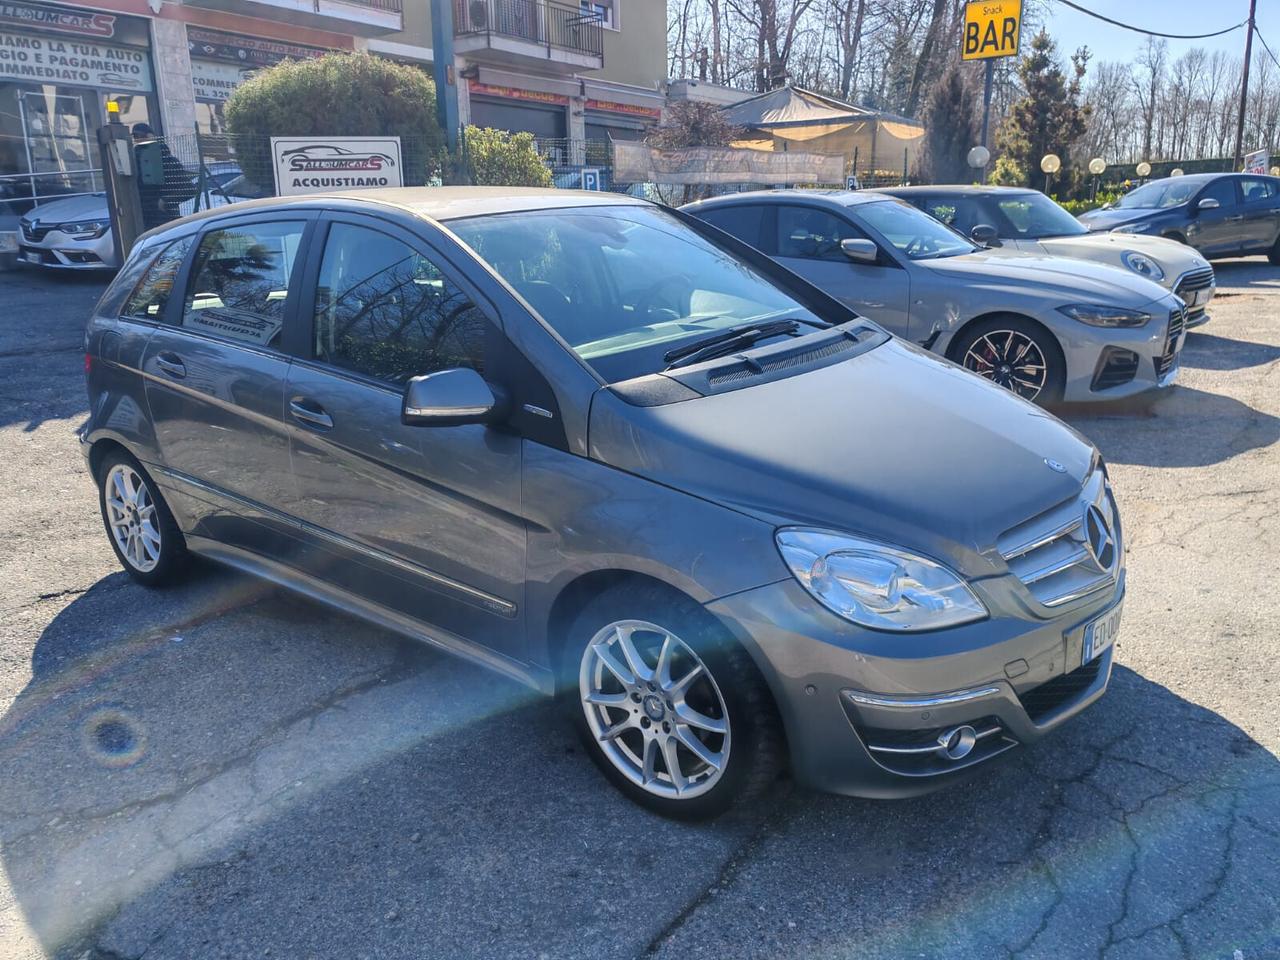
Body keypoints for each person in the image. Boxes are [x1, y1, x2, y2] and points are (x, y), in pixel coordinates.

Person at [132, 123, 196, 229]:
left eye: (140, 136)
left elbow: (189, 189)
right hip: (145, 220)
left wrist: (165, 201)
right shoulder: (135, 161)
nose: (137, 140)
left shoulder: (167, 161)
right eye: (135, 137)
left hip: (166, 220)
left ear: (150, 137)